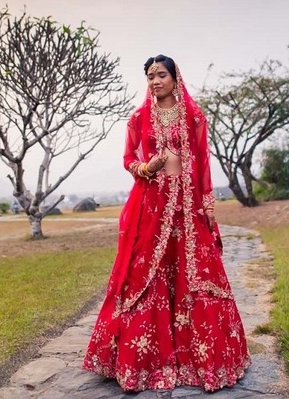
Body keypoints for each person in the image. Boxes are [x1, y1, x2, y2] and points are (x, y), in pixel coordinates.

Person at [83, 55, 251, 392]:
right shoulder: (138, 117)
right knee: (146, 274)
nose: (155, 81)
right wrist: (147, 167)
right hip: (151, 206)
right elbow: (129, 158)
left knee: (196, 275)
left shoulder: (194, 116)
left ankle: (200, 359)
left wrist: (206, 207)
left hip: (188, 207)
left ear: (176, 77)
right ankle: (145, 361)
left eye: (161, 75)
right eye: (149, 76)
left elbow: (202, 161)